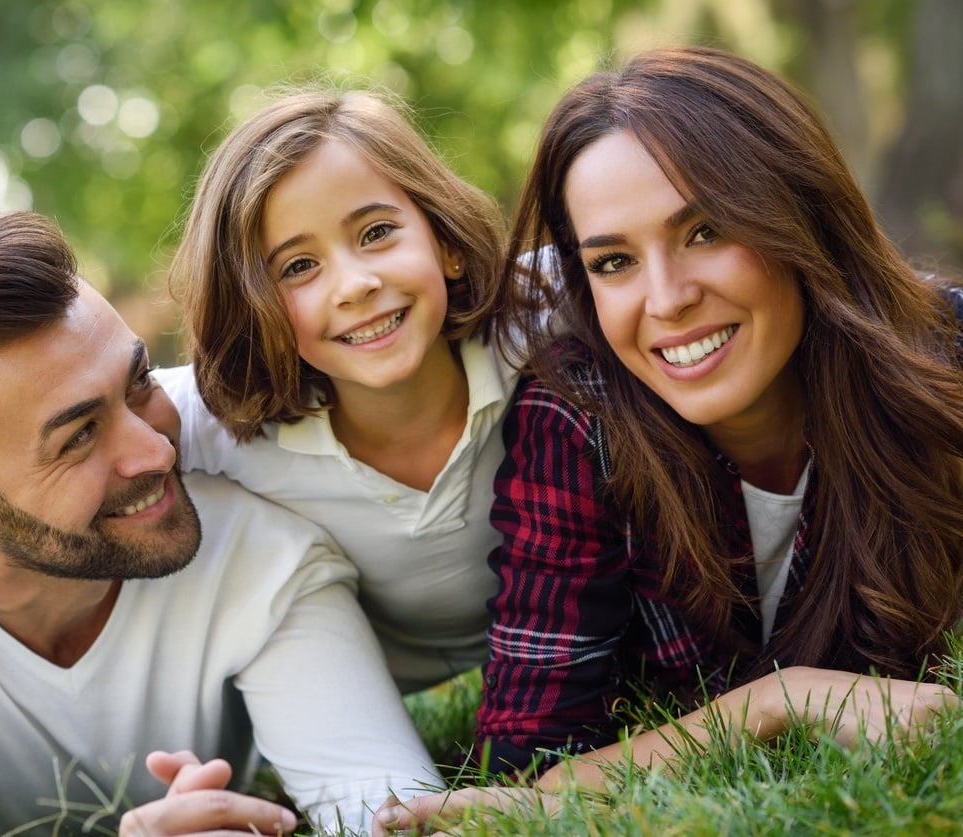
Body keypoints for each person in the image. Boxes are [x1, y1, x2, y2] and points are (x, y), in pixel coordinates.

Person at [374, 45, 963, 834]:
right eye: (614, 261)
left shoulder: (942, 358)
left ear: (800, 210)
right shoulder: (576, 420)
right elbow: (524, 766)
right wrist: (776, 699)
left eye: (705, 229)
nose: (667, 299)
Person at [0, 87, 519, 699]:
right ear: (253, 304)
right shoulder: (228, 423)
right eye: (296, 267)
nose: (356, 286)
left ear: (445, 239)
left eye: (378, 232)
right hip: (372, 674)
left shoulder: (542, 332)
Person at [0, 212, 440, 836]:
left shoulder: (260, 548)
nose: (158, 450)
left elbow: (391, 813)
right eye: (78, 435)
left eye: (139, 381)